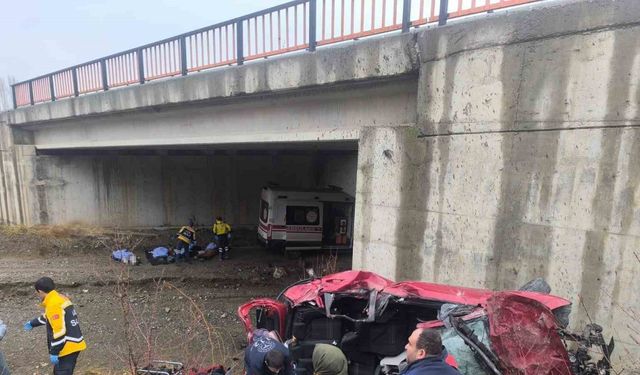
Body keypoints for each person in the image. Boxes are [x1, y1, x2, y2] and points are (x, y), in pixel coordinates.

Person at [24, 277, 86, 375]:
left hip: (67, 347)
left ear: (40, 291)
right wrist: (33, 323)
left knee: (62, 372)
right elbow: (50, 317)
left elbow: (59, 331)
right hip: (75, 342)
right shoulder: (60, 297)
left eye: (37, 292)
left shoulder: (53, 304)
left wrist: (54, 352)